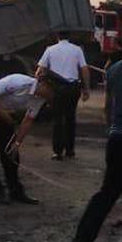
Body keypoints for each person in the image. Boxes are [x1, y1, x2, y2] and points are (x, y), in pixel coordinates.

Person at [70, 46, 122, 242]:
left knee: (106, 195)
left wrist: (113, 129)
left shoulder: (116, 69)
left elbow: (108, 108)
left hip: (119, 140)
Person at [0, 73, 54, 205]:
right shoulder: (19, 81)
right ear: (43, 84)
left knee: (11, 153)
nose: (51, 97)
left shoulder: (40, 98)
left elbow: (28, 120)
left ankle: (15, 191)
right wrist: (3, 113)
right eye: (51, 92)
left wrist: (17, 142)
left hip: (7, 114)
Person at [36, 32, 90, 160]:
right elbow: (84, 69)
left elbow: (40, 70)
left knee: (58, 119)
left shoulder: (50, 50)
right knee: (71, 118)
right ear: (69, 37)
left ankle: (57, 152)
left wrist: (40, 86)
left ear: (57, 36)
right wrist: (86, 89)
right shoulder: (77, 50)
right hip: (73, 88)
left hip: (57, 89)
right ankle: (70, 150)